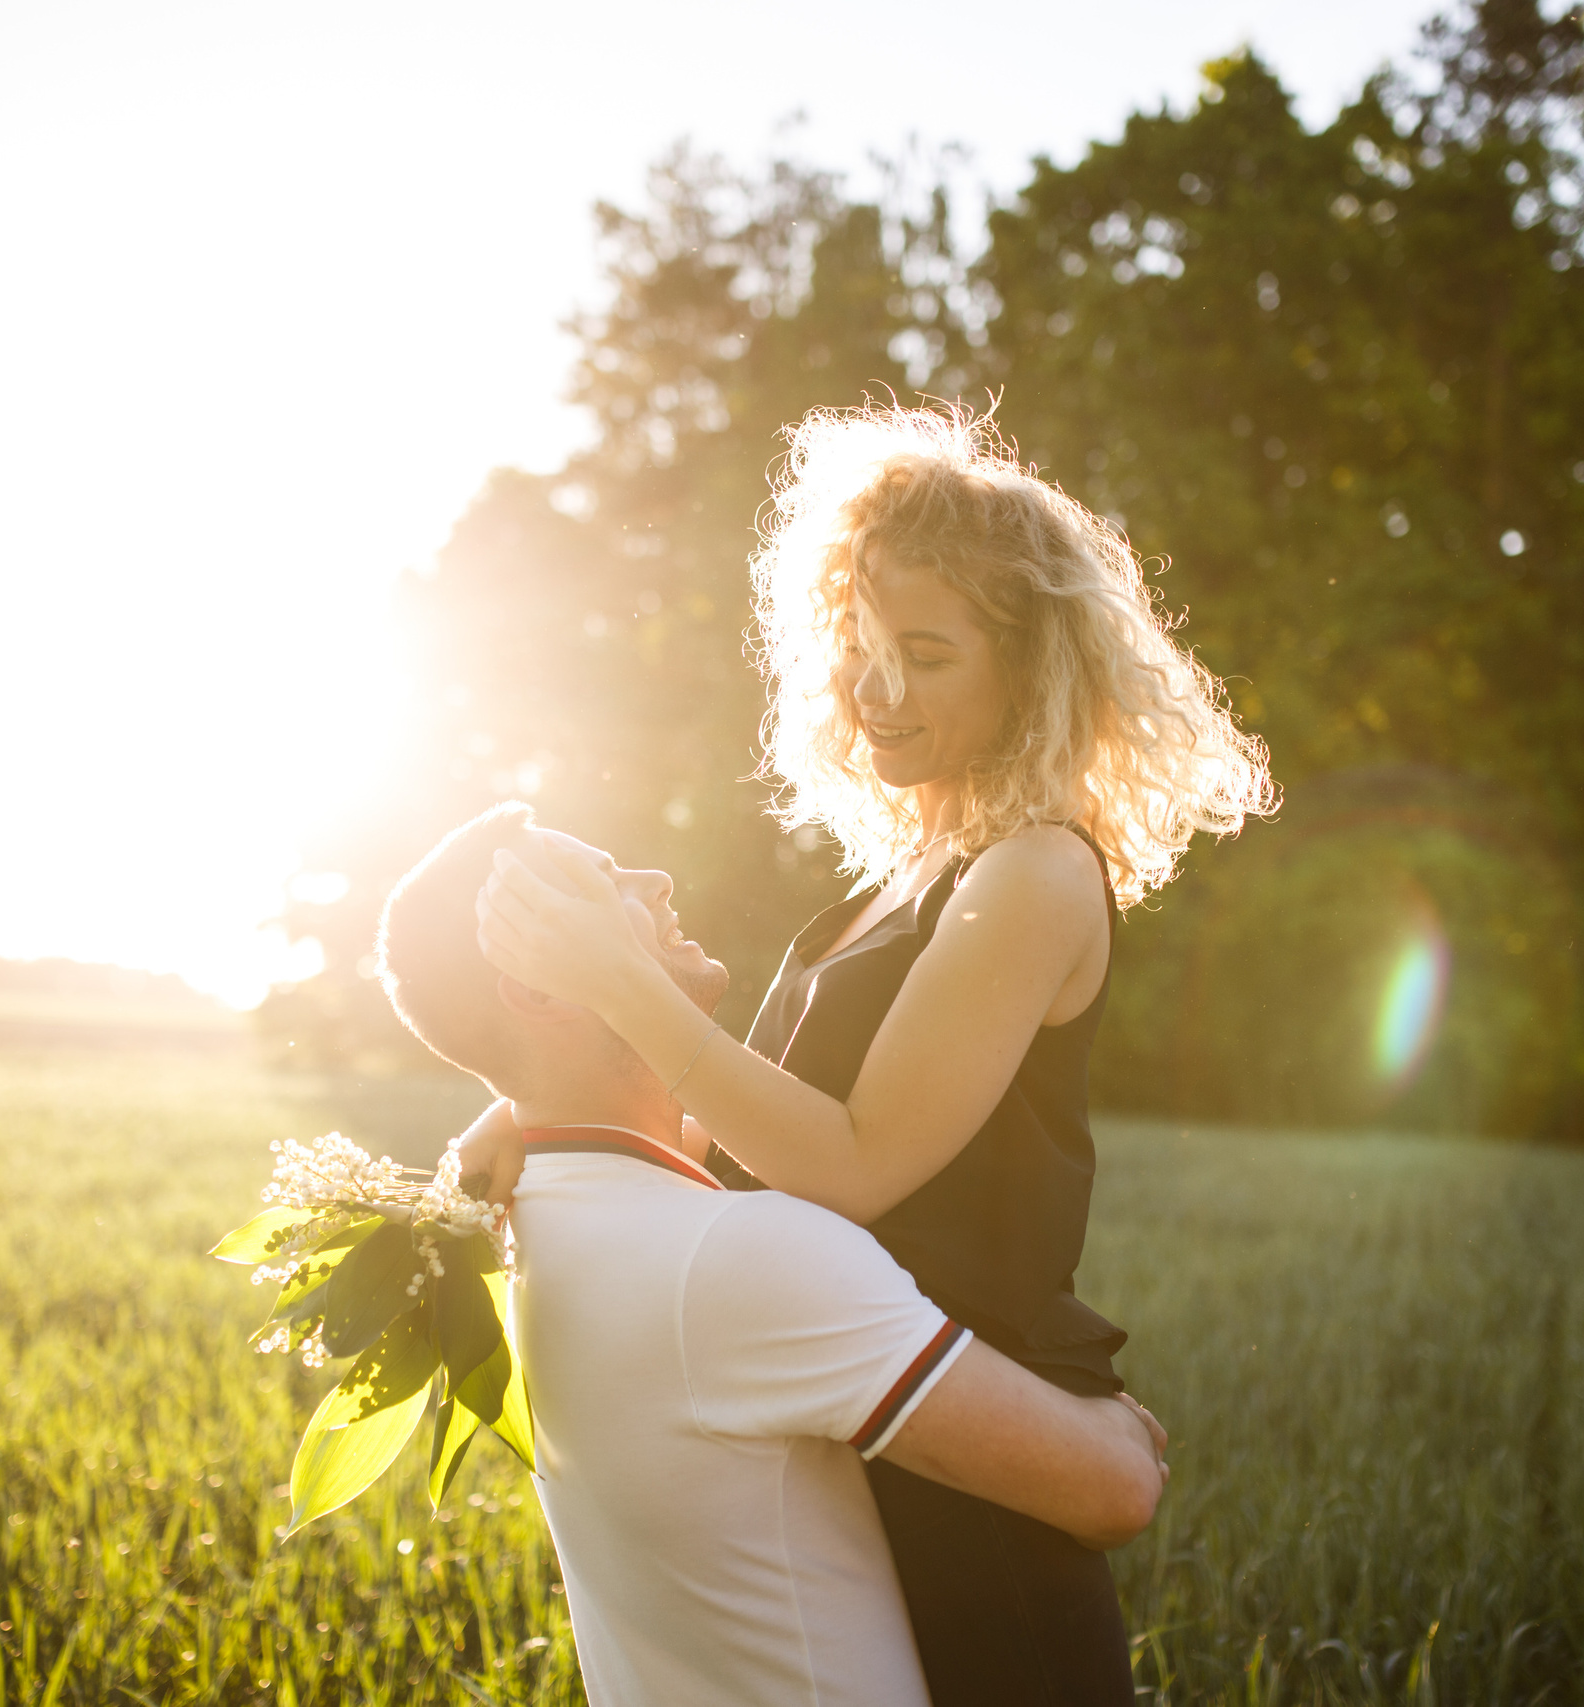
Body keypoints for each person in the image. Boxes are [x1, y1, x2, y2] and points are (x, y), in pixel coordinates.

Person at [466, 403, 1276, 1703]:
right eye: (858, 643)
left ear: (1031, 670)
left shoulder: (1033, 875)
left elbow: (852, 1166)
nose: (877, 687)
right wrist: (523, 1124)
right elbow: (756, 1145)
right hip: (857, 1424)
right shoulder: (900, 875)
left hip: (979, 1478)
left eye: (928, 652)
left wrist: (622, 982)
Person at [376, 802, 1169, 1707]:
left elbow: (664, 1117)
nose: (656, 880)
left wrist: (512, 1110)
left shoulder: (527, 1229)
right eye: (606, 883)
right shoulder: (741, 1259)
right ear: (542, 983)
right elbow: (1116, 1491)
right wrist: (1117, 1427)